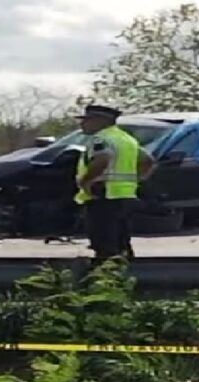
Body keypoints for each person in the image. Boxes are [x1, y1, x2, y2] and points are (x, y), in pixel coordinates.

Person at [73, 104, 155, 265]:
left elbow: (102, 160)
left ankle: (106, 278)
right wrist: (136, 179)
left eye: (87, 120)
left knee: (104, 243)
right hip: (126, 196)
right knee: (122, 241)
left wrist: (85, 181)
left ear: (100, 121)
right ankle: (127, 275)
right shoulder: (126, 138)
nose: (82, 124)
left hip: (104, 196)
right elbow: (148, 161)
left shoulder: (101, 139)